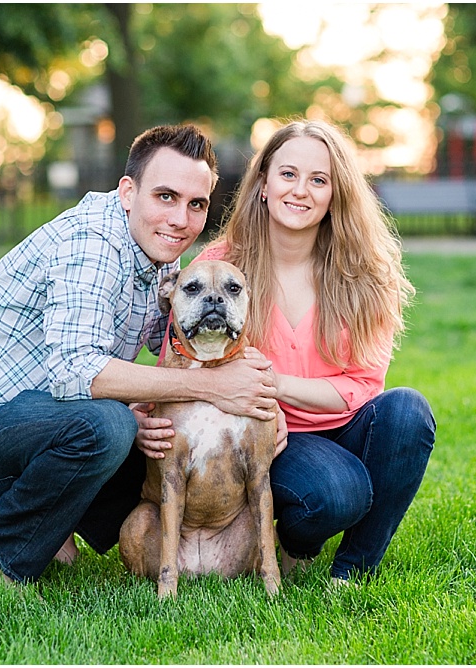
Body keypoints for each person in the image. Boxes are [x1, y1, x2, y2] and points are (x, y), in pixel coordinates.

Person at [0, 124, 281, 585]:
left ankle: (52, 529)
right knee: (110, 426)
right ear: (128, 191)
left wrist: (261, 398)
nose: (180, 219)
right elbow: (76, 373)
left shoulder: (159, 251)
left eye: (196, 204)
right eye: (165, 197)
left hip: (32, 414)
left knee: (155, 435)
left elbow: (171, 349)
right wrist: (212, 387)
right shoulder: (93, 243)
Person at [137, 118, 435, 585]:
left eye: (319, 179)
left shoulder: (366, 273)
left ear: (337, 193)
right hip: (271, 438)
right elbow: (183, 359)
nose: (301, 190)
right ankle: (298, 539)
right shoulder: (221, 268)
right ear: (263, 184)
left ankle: (354, 567)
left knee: (409, 412)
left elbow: (361, 386)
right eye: (288, 174)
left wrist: (272, 386)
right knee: (336, 494)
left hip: (345, 424)